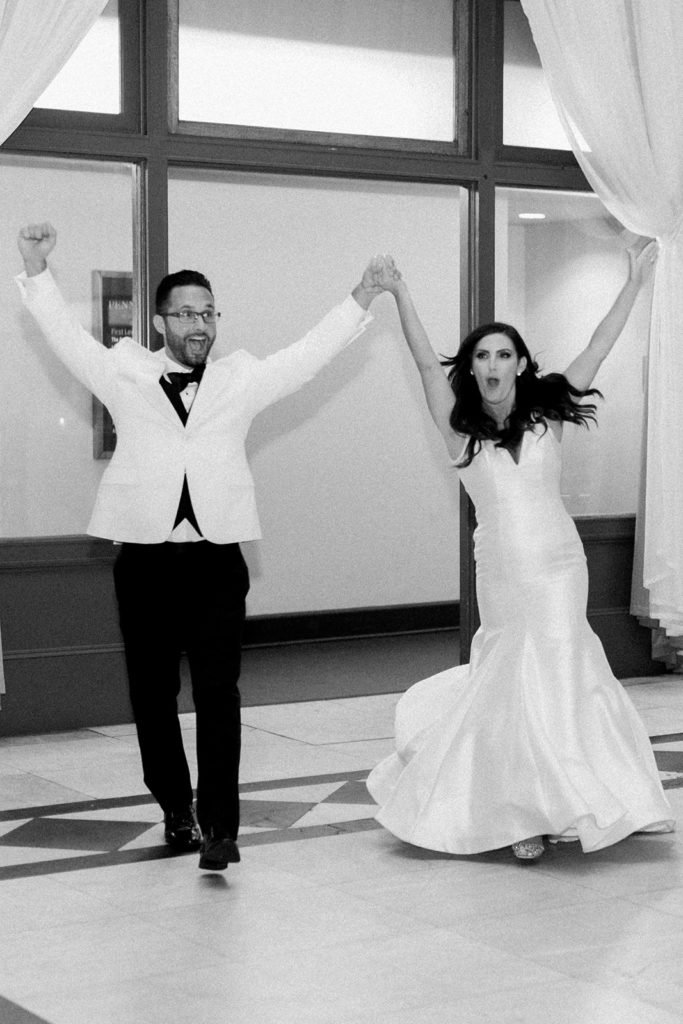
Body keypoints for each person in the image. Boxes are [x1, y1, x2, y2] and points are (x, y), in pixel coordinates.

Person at [17, 222, 386, 871]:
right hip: (145, 562)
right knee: (152, 695)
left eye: (208, 313)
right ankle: (175, 809)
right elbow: (65, 339)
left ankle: (220, 826)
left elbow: (305, 357)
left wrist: (359, 296)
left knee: (220, 693)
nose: (199, 324)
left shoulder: (240, 380)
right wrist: (37, 267)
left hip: (217, 560)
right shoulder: (125, 371)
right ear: (161, 320)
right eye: (186, 313)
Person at [366, 244, 674, 862]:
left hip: (561, 567)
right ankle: (520, 812)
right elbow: (428, 368)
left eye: (504, 354)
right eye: (483, 355)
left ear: (522, 363)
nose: (492, 364)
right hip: (503, 572)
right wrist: (400, 295)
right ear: (474, 369)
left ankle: (607, 797)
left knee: (564, 673)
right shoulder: (460, 430)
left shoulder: (547, 416)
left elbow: (596, 347)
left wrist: (633, 284)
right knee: (514, 682)